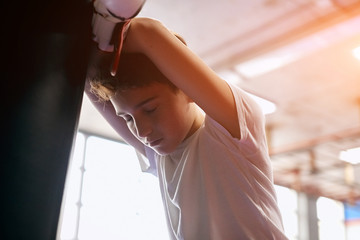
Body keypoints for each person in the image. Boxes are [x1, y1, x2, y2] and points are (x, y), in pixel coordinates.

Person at [85, 17, 288, 240]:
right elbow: (85, 77)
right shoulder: (163, 156)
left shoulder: (232, 131)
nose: (141, 132)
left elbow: (146, 32)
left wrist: (105, 38)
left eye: (151, 109)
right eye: (128, 119)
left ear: (187, 90)